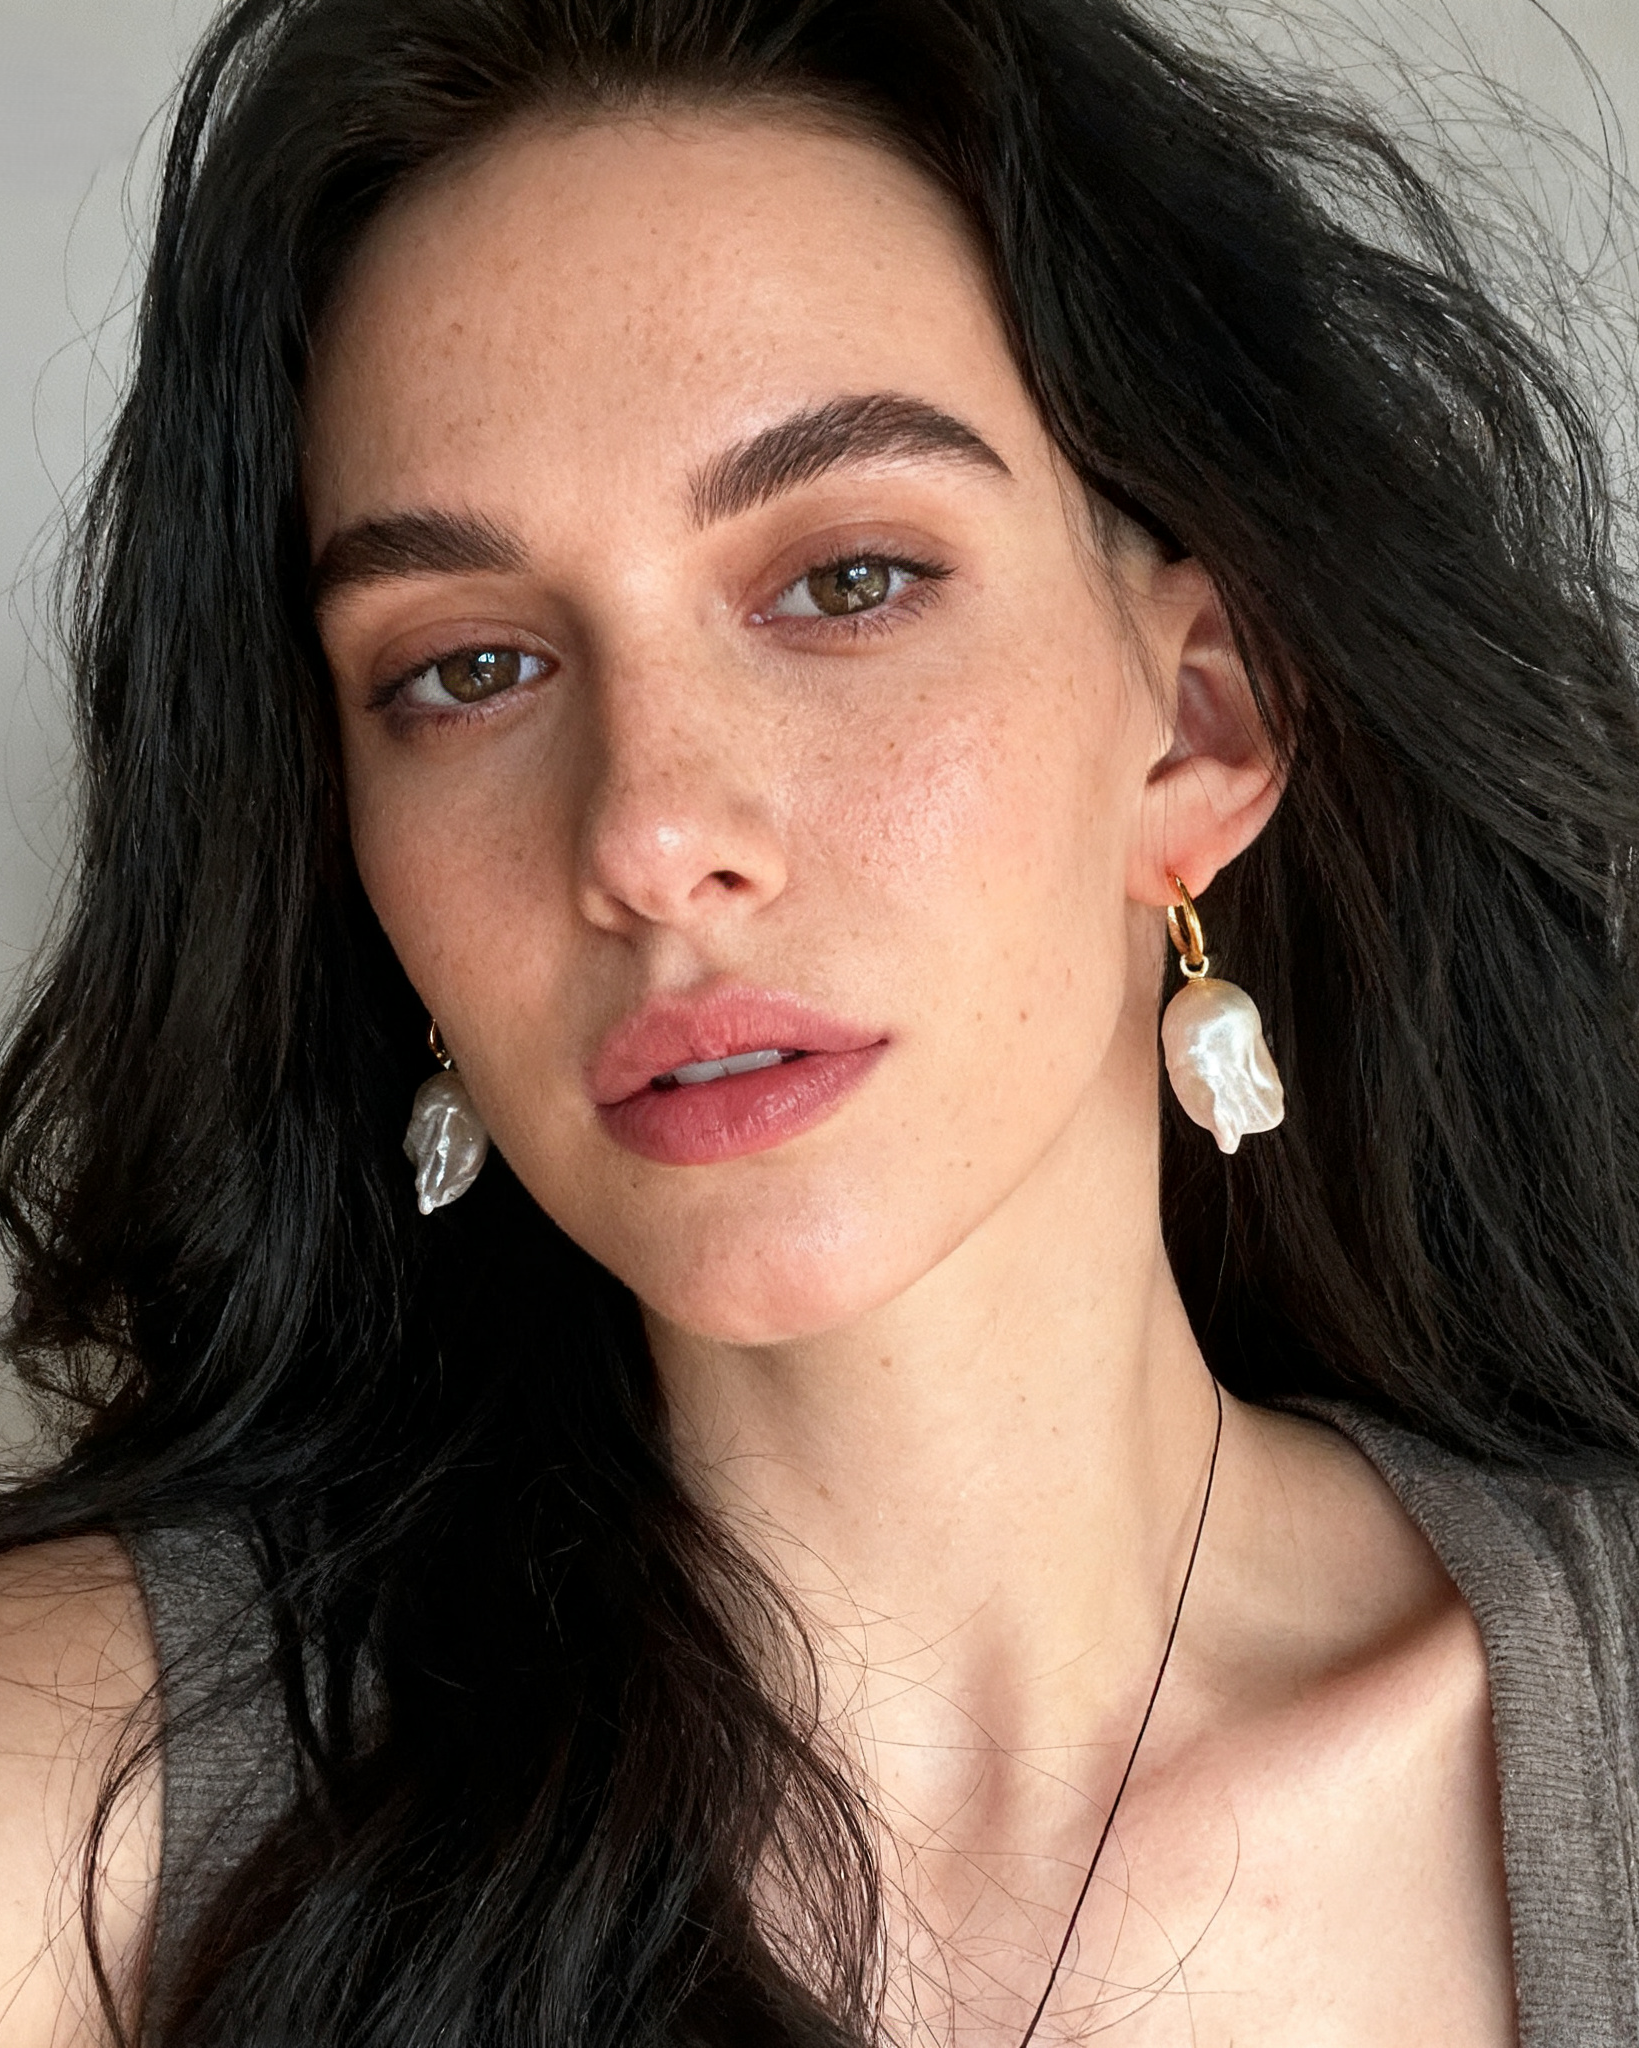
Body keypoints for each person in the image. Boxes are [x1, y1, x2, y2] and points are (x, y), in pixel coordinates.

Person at [0, 0, 1637, 2040]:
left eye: (848, 580)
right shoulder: (71, 1812)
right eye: (471, 667)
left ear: (1199, 728)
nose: (654, 834)